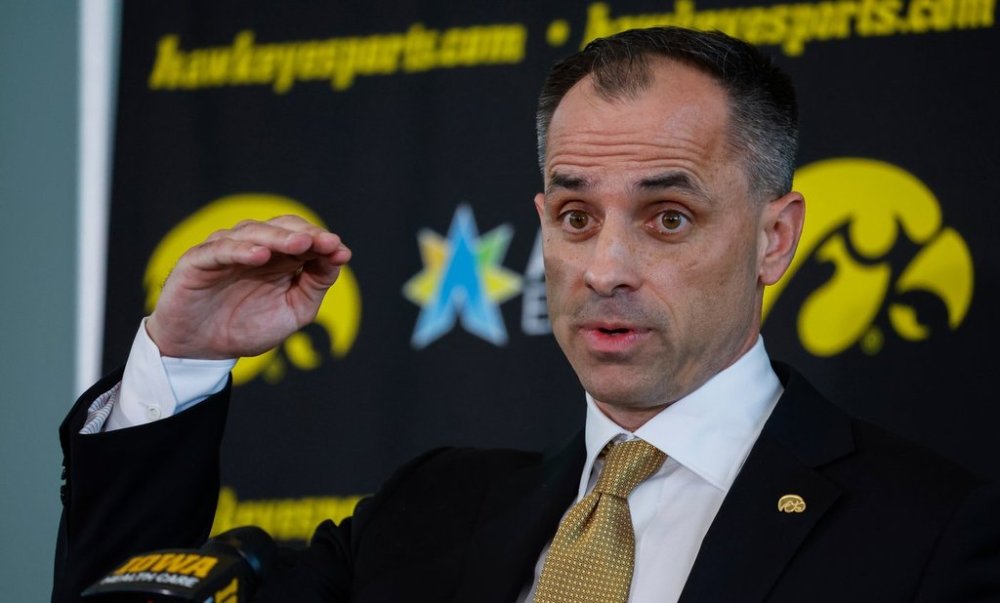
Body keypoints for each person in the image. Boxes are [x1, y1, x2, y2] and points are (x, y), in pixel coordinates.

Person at [53, 27, 999, 602]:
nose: (607, 268)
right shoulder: (430, 512)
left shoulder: (932, 528)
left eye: (669, 216)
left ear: (775, 239)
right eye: (577, 216)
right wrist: (180, 363)